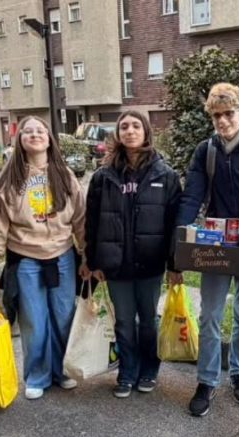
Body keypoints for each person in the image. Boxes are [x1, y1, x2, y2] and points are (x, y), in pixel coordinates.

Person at [172, 83, 239, 417]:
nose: (222, 121)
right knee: (210, 315)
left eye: (228, 114)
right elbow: (192, 197)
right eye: (216, 115)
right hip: (217, 245)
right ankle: (206, 380)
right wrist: (177, 246)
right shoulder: (206, 151)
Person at [0, 116, 86, 400]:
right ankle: (37, 375)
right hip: (25, 259)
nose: (35, 134)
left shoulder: (64, 175)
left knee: (64, 317)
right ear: (20, 140)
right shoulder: (9, 179)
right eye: (28, 131)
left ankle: (61, 370)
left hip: (62, 256)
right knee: (34, 322)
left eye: (40, 130)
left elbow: (80, 220)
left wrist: (87, 256)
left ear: (50, 138)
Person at [80, 111, 182, 398]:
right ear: (118, 134)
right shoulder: (103, 176)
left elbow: (176, 223)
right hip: (115, 264)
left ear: (146, 132)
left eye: (136, 125)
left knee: (148, 320)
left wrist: (175, 265)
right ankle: (127, 371)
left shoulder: (167, 175)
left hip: (151, 263)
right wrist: (92, 260)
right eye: (123, 126)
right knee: (124, 321)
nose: (129, 130)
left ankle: (149, 368)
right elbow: (91, 221)